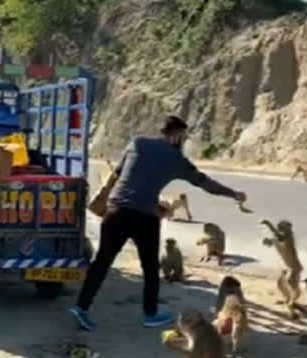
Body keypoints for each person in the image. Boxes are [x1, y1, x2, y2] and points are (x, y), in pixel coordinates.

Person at [70, 115, 247, 331]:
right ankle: (150, 314)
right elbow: (204, 183)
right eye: (183, 137)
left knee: (102, 262)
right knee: (150, 267)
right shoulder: (175, 158)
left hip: (115, 211)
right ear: (177, 136)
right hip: (144, 217)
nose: (183, 142)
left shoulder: (137, 143)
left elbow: (117, 174)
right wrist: (233, 194)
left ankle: (81, 307)